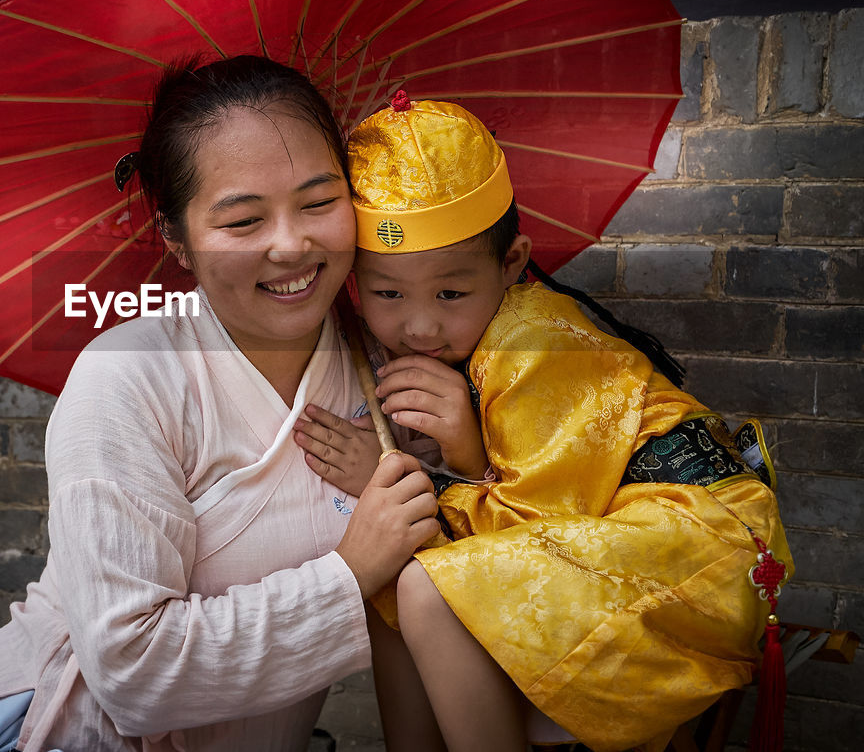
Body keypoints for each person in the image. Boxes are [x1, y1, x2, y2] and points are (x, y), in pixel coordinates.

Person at [0, 57, 441, 752]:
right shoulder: (127, 379)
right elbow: (133, 672)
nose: (292, 243)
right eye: (244, 219)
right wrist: (351, 573)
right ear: (177, 238)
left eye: (318, 201)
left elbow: (471, 553)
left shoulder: (382, 360)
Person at [294, 95, 793, 752]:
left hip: (700, 547)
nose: (419, 325)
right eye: (387, 293)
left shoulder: (531, 336)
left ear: (510, 261)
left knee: (428, 585)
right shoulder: (450, 347)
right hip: (622, 532)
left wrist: (448, 467)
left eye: (449, 292)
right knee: (392, 573)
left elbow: (548, 524)